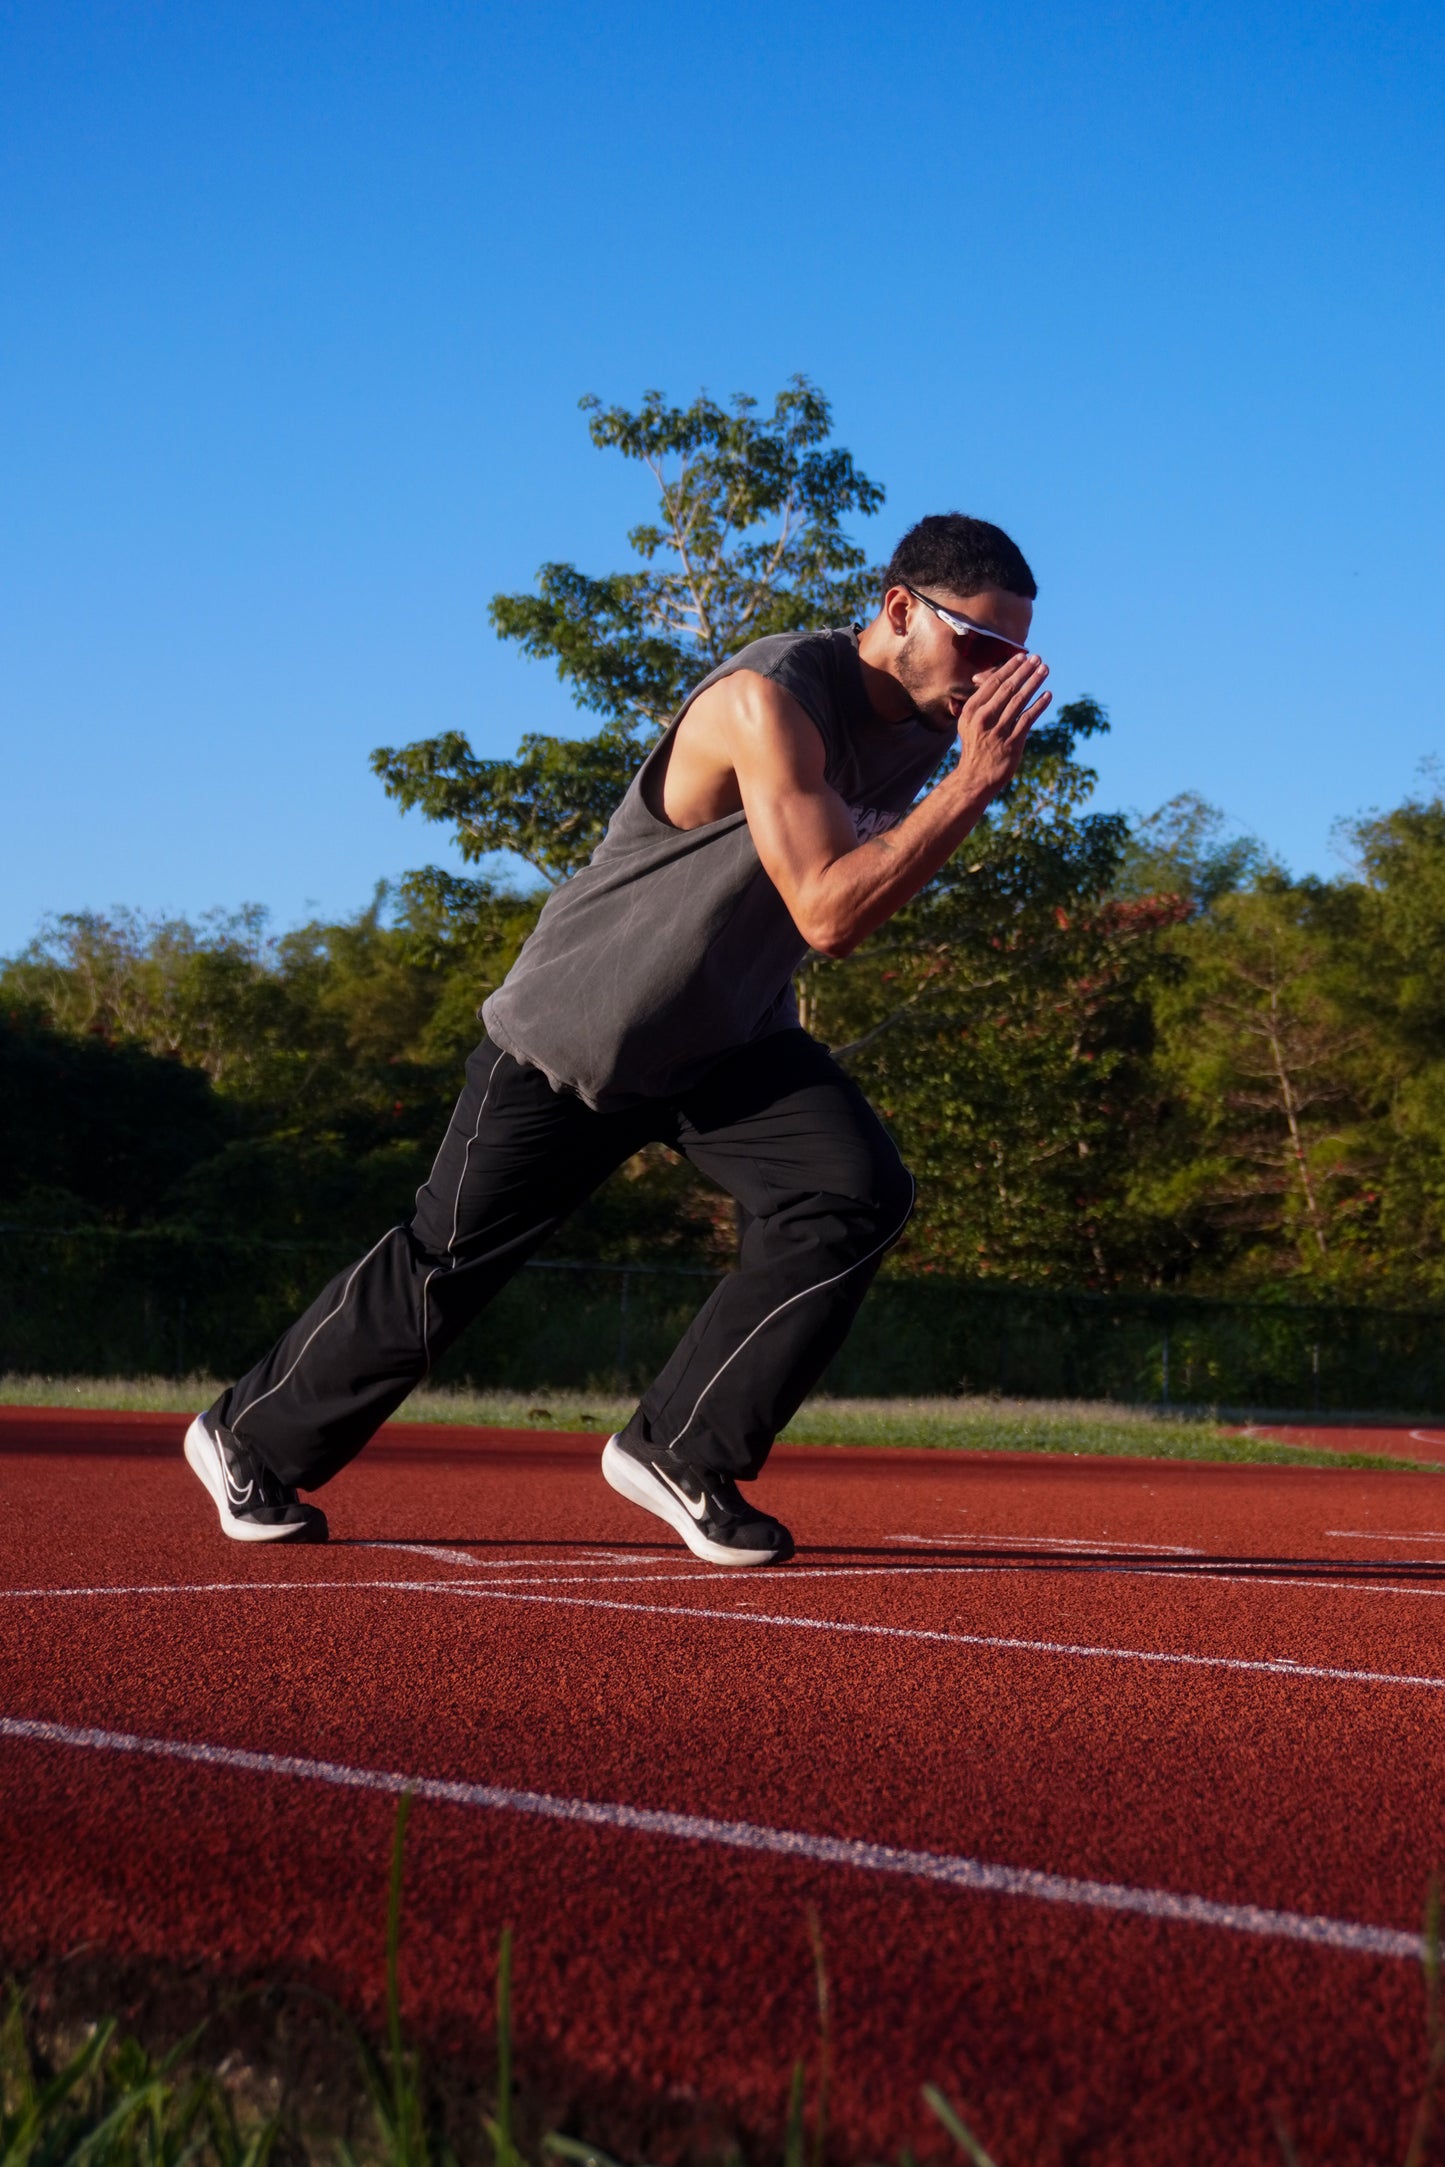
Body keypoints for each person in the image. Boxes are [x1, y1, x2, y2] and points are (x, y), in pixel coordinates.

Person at [185, 513, 1050, 1567]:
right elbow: (830, 913)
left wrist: (957, 774)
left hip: (726, 1041)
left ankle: (680, 1447)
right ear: (899, 609)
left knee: (853, 1188)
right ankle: (245, 1434)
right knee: (443, 1269)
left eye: (1012, 654)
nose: (991, 676)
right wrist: (970, 786)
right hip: (581, 1028)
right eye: (976, 644)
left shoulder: (932, 724)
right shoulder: (766, 698)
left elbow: (834, 912)